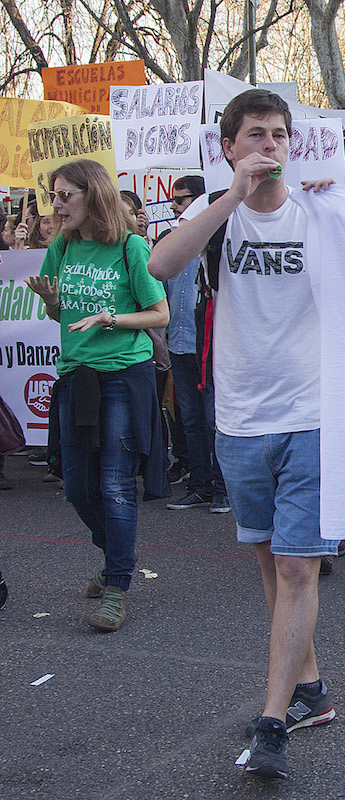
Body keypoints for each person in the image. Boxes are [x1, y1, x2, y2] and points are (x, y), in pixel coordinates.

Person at [148, 88, 337, 780]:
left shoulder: (319, 212)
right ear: (228, 147)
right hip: (239, 419)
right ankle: (310, 691)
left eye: (280, 135)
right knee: (269, 565)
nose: (270, 146)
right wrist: (229, 196)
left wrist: (328, 201)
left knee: (295, 567)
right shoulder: (216, 220)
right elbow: (161, 266)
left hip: (311, 414)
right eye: (255, 135)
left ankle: (271, 722)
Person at [23, 158, 171, 632]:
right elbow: (58, 317)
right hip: (76, 377)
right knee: (76, 486)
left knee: (114, 483)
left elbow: (159, 314)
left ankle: (117, 586)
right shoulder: (61, 248)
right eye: (54, 195)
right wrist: (50, 301)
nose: (57, 204)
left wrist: (111, 319)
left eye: (66, 194)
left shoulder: (130, 247)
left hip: (124, 376)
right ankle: (115, 560)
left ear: (94, 195)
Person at [157, 175, 230, 514]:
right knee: (190, 421)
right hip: (181, 343)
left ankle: (222, 489)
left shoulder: (218, 240)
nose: (175, 206)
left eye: (182, 199)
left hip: (210, 347)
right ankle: (199, 485)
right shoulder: (170, 242)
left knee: (215, 419)